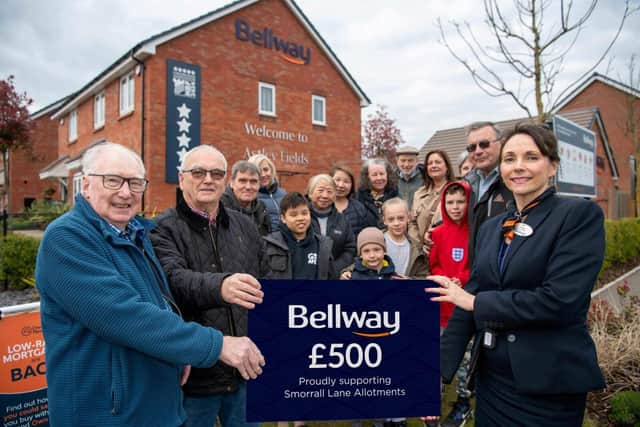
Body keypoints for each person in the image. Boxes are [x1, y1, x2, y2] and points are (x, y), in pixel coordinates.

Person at [35, 142, 264, 426]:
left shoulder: (137, 234)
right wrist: (216, 344)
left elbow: (160, 303)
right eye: (113, 180)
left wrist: (178, 357)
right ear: (86, 185)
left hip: (156, 405)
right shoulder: (67, 239)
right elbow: (124, 315)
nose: (125, 192)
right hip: (106, 413)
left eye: (134, 183)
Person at [427, 123, 606, 427]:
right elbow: (467, 302)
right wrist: (438, 374)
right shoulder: (491, 228)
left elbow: (560, 301)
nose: (518, 167)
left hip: (548, 385)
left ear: (553, 166)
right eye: (509, 159)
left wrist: (478, 303)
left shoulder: (577, 216)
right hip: (493, 382)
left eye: (531, 157)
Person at [151, 145, 269, 427]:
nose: (208, 179)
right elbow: (173, 280)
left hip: (245, 368)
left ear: (225, 180)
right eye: (198, 172)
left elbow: (265, 281)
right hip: (195, 375)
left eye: (216, 173)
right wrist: (221, 287)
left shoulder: (245, 226)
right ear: (181, 179)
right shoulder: (162, 228)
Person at [464, 121, 514, 267]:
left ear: (501, 143)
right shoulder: (469, 184)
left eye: (484, 144)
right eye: (472, 147)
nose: (478, 151)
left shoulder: (513, 181)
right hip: (476, 270)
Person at [264, 191, 336, 280]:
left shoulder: (322, 245)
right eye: (293, 215)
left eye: (304, 213)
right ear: (283, 218)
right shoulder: (271, 244)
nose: (300, 218)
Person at [429, 181, 471, 329]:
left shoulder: (476, 231)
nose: (455, 207)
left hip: (468, 295)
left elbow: (479, 264)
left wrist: (463, 278)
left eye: (460, 202)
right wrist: (444, 278)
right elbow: (433, 265)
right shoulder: (437, 233)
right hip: (444, 298)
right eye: (450, 202)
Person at [307, 173, 356, 273]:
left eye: (329, 191)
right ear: (310, 193)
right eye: (320, 190)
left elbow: (350, 248)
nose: (325, 195)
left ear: (334, 196)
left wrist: (334, 268)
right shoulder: (302, 217)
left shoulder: (342, 220)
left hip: (335, 275)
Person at [408, 150, 454, 248]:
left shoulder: (456, 192)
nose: (433, 166)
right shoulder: (419, 193)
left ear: (447, 167)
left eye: (438, 162)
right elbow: (412, 223)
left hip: (445, 247)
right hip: (421, 251)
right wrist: (420, 245)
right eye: (430, 163)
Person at [381, 197, 429, 278]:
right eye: (391, 219)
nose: (396, 223)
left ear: (408, 217)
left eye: (401, 218)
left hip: (405, 290)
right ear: (384, 220)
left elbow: (423, 276)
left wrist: (409, 281)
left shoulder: (417, 248)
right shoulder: (376, 241)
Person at [221, 160, 270, 236]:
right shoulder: (219, 206)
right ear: (232, 183)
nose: (248, 187)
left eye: (253, 181)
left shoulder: (261, 208)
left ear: (259, 185)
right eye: (242, 181)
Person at [331, 163, 377, 236]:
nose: (341, 185)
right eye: (337, 180)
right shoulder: (322, 205)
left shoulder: (359, 208)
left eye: (346, 181)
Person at [357, 158, 399, 229]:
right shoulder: (358, 199)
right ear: (367, 177)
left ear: (387, 175)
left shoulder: (396, 196)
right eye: (374, 175)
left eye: (382, 174)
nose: (379, 178)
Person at [248, 154, 287, 231]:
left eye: (266, 170)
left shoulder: (283, 193)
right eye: (258, 171)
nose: (263, 175)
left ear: (271, 170)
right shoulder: (250, 196)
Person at [395, 145, 423, 211]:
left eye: (410, 160)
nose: (406, 164)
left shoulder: (426, 179)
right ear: (397, 161)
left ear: (417, 161)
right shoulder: (391, 180)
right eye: (403, 160)